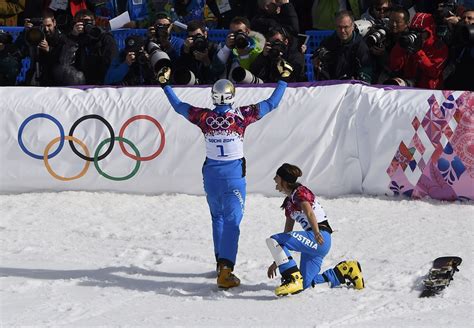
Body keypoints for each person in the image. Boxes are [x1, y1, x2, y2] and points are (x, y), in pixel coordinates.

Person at [162, 78, 287, 289]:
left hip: (210, 176)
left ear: (213, 95)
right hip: (233, 177)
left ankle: (220, 263)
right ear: (232, 96)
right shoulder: (241, 116)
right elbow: (271, 103)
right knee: (232, 222)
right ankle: (226, 271)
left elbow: (178, 106)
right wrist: (283, 81)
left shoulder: (204, 117)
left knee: (217, 218)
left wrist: (165, 85)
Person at [266, 163, 365, 296]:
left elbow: (309, 213)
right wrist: (278, 261)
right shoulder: (289, 202)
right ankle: (343, 272)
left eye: (276, 177)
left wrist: (316, 233)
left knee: (274, 239)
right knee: (303, 284)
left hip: (319, 237)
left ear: (284, 180)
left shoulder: (300, 192)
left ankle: (291, 279)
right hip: (314, 243)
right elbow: (287, 234)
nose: (274, 180)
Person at [388, 12, 448, 89]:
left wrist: (418, 52)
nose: (417, 34)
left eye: (420, 31)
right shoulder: (409, 41)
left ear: (429, 31)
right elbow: (394, 66)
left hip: (429, 92)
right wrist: (401, 44)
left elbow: (434, 73)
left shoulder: (439, 46)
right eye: (413, 30)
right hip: (409, 87)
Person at [312, 10, 373, 83]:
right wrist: (317, 60)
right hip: (330, 85)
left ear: (353, 26)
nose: (342, 31)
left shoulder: (360, 46)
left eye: (346, 27)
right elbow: (318, 54)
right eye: (339, 27)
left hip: (352, 87)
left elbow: (366, 73)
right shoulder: (329, 42)